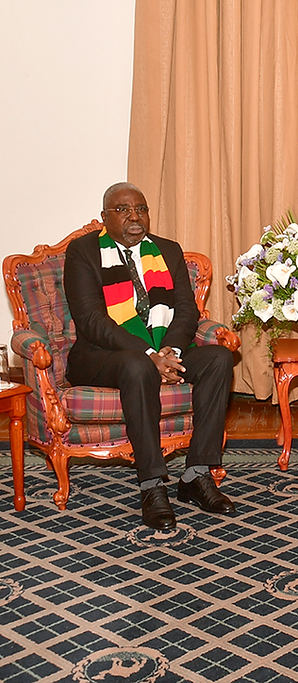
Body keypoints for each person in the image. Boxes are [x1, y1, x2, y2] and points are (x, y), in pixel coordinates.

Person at [64, 182, 236, 531]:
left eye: (140, 209)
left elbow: (187, 311)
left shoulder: (168, 251)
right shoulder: (83, 252)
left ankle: (196, 474)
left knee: (219, 359)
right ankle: (152, 485)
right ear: (104, 218)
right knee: (136, 365)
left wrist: (169, 351)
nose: (134, 216)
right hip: (102, 356)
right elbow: (91, 320)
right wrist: (149, 355)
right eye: (123, 209)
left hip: (164, 349)